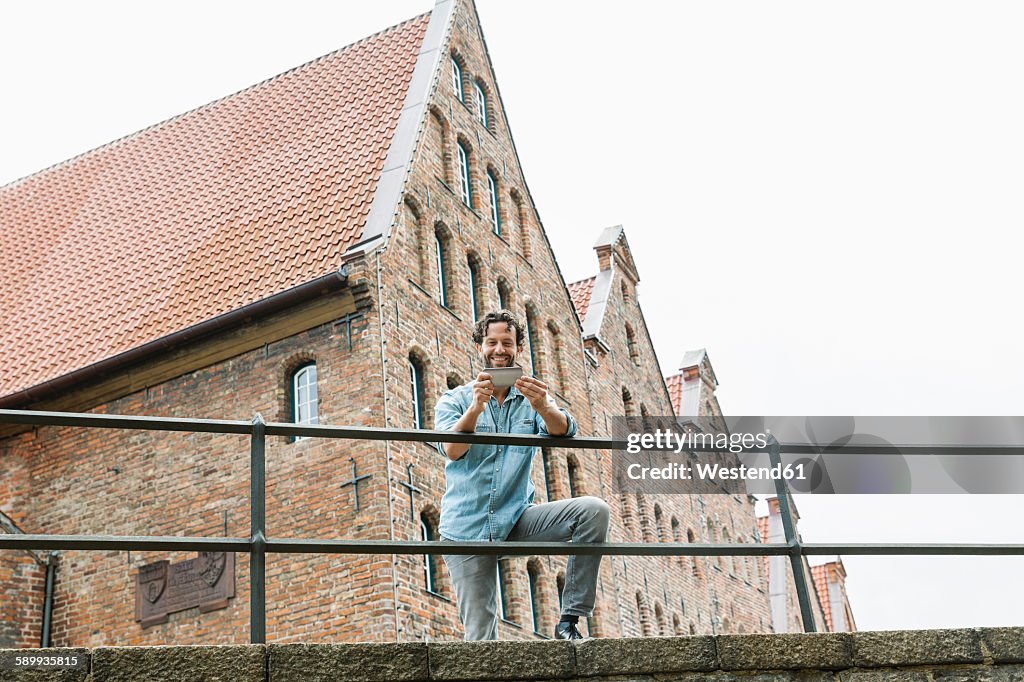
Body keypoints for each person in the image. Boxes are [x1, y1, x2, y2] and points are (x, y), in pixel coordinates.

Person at [434, 309, 610, 641]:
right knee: (480, 637)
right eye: (491, 342)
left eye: (507, 343)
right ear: (479, 348)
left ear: (518, 350)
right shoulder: (456, 399)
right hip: (465, 531)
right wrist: (476, 407)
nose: (499, 349)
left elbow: (564, 431)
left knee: (594, 512)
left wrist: (543, 405)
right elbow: (451, 449)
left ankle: (569, 619)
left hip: (515, 520)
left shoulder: (531, 397)